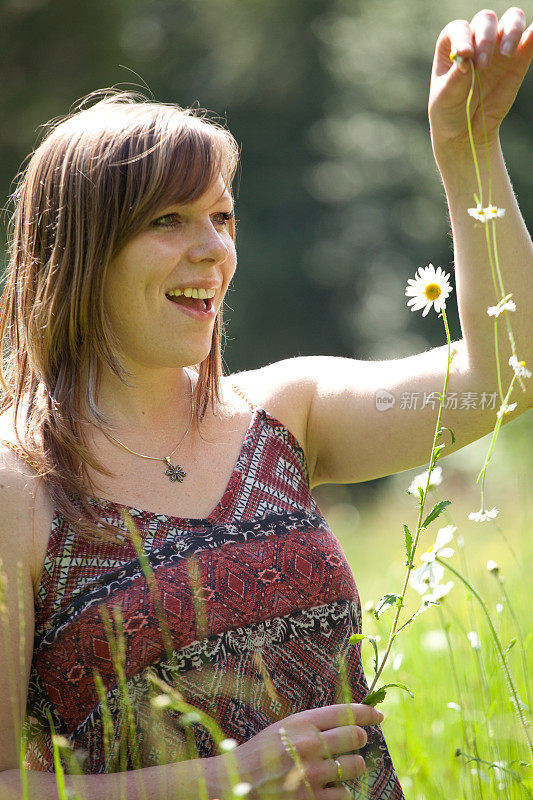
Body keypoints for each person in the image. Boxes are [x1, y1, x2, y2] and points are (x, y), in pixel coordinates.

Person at [0, 7, 531, 800]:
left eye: (221, 217)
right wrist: (229, 778)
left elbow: (509, 374)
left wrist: (468, 148)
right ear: (78, 250)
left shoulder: (285, 413)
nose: (214, 249)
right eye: (168, 220)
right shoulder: (20, 484)